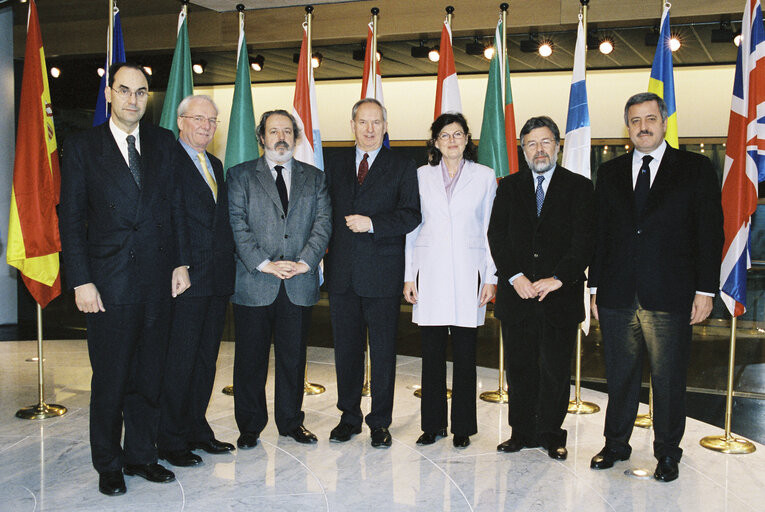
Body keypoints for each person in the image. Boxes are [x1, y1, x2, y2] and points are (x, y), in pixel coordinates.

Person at [59, 62, 190, 496]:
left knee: (149, 378)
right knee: (111, 380)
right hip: (108, 284)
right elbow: (72, 220)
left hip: (156, 280)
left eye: (141, 92)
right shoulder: (81, 148)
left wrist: (180, 263)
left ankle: (141, 456)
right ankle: (109, 464)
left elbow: (175, 208)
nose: (133, 99)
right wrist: (81, 280)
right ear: (110, 95)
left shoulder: (163, 141)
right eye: (125, 90)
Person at [589, 92, 724, 482]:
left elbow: (709, 232)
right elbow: (601, 234)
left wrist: (705, 289)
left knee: (667, 379)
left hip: (671, 293)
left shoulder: (695, 168)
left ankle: (668, 452)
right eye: (635, 120)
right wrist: (594, 286)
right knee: (620, 377)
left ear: (664, 123)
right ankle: (616, 443)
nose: (642, 126)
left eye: (650, 118)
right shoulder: (610, 172)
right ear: (627, 126)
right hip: (616, 294)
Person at [487, 116, 595, 461]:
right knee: (519, 368)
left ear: (558, 145)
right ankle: (520, 433)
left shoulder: (579, 187)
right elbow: (497, 236)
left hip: (559, 297)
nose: (539, 149)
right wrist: (514, 276)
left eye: (546, 141)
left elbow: (585, 241)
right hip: (517, 295)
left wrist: (559, 278)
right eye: (531, 143)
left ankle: (551, 434)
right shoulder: (508, 187)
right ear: (523, 148)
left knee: (554, 370)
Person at [227, 109, 331, 448]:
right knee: (250, 360)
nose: (281, 137)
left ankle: (290, 422)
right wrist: (264, 263)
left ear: (297, 138)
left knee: (293, 358)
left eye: (287, 131)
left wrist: (305, 262)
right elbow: (237, 225)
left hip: (298, 282)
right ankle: (250, 426)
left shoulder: (315, 178)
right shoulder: (240, 176)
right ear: (262, 137)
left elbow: (323, 224)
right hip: (255, 282)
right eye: (273, 131)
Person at [324, 98, 421, 448]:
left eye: (376, 122)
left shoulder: (402, 165)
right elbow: (325, 214)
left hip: (382, 275)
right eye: (363, 122)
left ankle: (380, 422)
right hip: (342, 276)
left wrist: (373, 224)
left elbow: (412, 215)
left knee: (382, 353)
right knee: (346, 351)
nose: (369, 129)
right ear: (352, 125)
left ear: (385, 125)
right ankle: (348, 417)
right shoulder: (333, 163)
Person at [403, 112, 497, 449]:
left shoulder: (485, 177)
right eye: (445, 135)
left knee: (466, 355)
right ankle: (432, 425)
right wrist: (408, 276)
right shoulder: (419, 177)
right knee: (430, 355)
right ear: (435, 142)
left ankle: (462, 427)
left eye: (458, 134)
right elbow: (411, 230)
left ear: (467, 139)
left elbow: (490, 230)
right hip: (428, 273)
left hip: (470, 273)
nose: (452, 140)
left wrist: (490, 276)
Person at [157, 95, 236, 468]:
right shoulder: (166, 160)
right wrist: (180, 264)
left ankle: (196, 429)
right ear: (181, 121)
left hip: (217, 279)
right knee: (180, 360)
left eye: (212, 120)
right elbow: (168, 220)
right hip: (185, 279)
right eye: (199, 118)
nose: (206, 126)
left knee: (206, 361)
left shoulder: (215, 165)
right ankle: (169, 438)